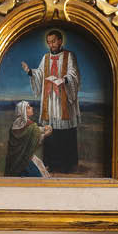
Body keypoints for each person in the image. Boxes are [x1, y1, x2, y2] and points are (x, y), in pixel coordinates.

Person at [21, 30, 81, 173]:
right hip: (50, 99)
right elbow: (40, 73)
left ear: (60, 41)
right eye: (49, 42)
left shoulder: (69, 56)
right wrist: (30, 72)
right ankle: (51, 163)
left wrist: (64, 79)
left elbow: (73, 73)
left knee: (65, 132)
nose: (51, 45)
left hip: (63, 97)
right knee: (50, 130)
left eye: (53, 41)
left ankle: (67, 165)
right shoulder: (46, 57)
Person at [4, 100, 52, 176]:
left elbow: (32, 131)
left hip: (14, 161)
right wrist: (45, 134)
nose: (32, 108)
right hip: (26, 159)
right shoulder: (31, 126)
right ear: (23, 111)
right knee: (38, 174)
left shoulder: (15, 124)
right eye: (29, 108)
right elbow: (35, 137)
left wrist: (43, 129)